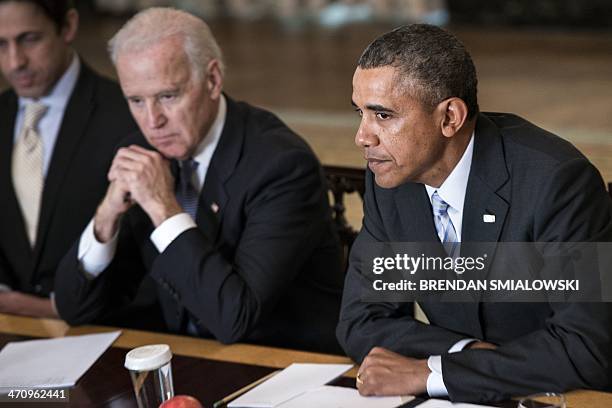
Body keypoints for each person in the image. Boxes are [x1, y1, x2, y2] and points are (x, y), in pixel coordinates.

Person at [337, 24, 612, 403]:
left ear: (450, 117)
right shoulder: (390, 183)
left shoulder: (556, 181)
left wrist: (433, 373)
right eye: (360, 113)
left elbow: (586, 349)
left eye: (383, 116)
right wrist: (466, 353)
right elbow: (361, 322)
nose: (362, 137)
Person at [54, 7, 344, 353]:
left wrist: (163, 209)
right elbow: (75, 309)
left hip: (288, 365)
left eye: (168, 96)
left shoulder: (281, 165)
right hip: (192, 359)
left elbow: (234, 318)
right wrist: (106, 218)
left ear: (212, 79)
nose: (152, 121)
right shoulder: (141, 152)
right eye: (136, 101)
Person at [0, 0, 136, 318]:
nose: (15, 61)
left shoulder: (128, 115)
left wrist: (51, 308)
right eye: (0, 45)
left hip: (104, 330)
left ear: (69, 26)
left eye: (29, 39)